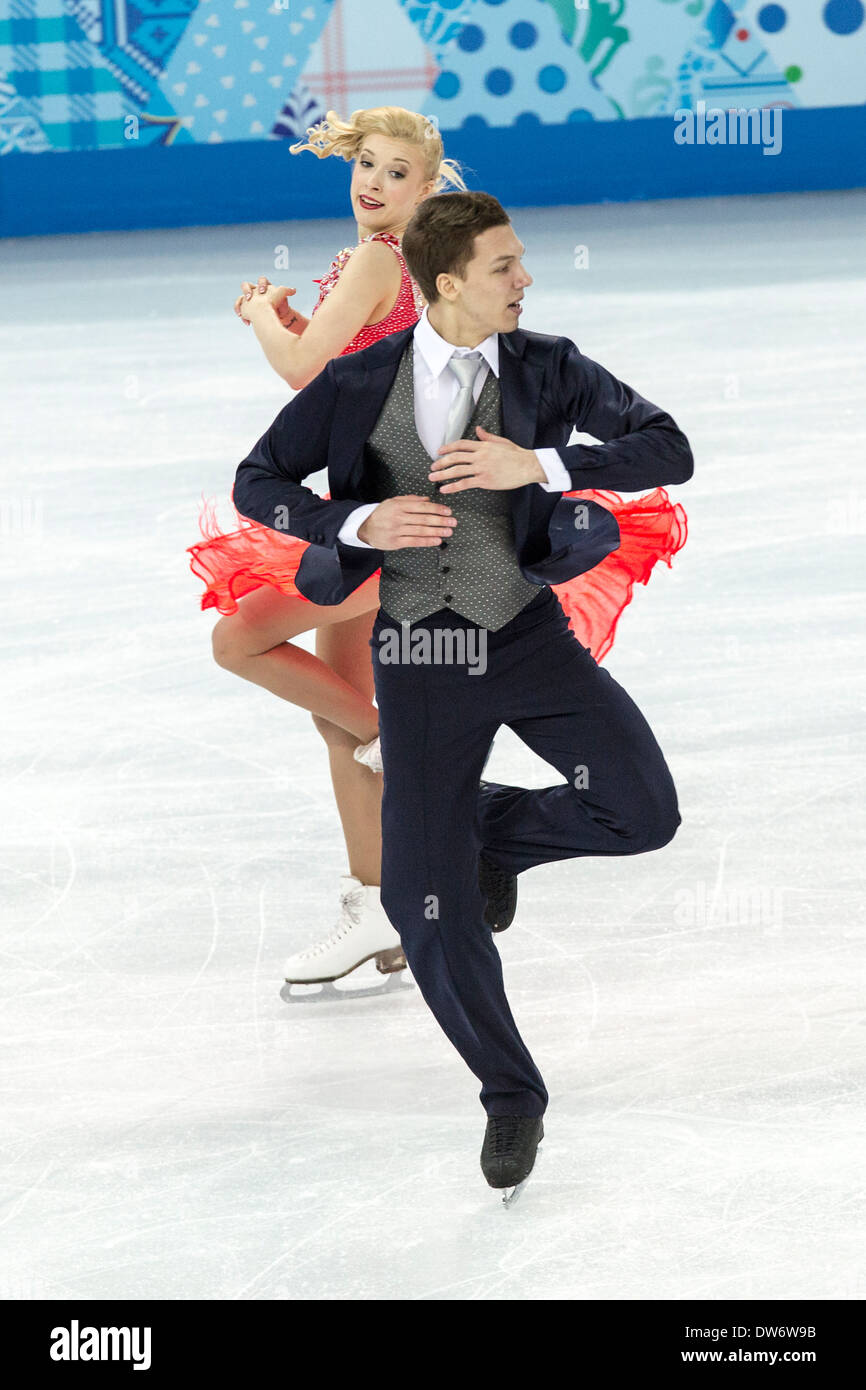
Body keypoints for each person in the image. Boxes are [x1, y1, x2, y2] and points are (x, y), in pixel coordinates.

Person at [228, 191, 694, 1197]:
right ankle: (509, 1094)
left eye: (521, 262)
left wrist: (548, 459)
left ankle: (488, 827)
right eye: (503, 266)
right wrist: (352, 525)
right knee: (425, 904)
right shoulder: (357, 383)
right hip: (418, 653)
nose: (523, 279)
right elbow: (258, 479)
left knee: (640, 811)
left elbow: (668, 446)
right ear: (447, 285)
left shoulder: (545, 367)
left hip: (522, 637)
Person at [189, 107, 687, 996]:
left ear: (430, 189)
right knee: (331, 707)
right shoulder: (392, 260)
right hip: (372, 505)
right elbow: (350, 366)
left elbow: (304, 367)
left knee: (242, 642)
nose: (373, 183)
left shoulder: (386, 253)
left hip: (403, 522)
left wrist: (262, 313)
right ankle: (375, 899)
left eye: (397, 172)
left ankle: (405, 756)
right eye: (366, 165)